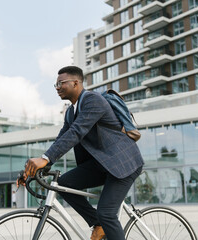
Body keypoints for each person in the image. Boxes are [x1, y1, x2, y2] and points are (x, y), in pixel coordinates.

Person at [18, 66, 144, 240]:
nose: (57, 88)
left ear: (76, 83)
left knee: (107, 212)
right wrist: (39, 167)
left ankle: (103, 221)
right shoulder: (70, 112)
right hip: (101, 164)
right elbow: (62, 139)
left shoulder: (94, 100)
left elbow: (76, 132)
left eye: (60, 83)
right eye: (55, 84)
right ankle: (98, 224)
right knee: (64, 184)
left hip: (123, 162)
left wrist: (45, 158)